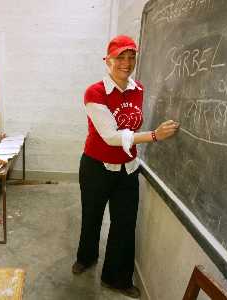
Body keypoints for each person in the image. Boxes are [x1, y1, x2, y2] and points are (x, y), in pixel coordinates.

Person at [73, 35, 179, 298]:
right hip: (96, 167)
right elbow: (110, 136)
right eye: (120, 56)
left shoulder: (138, 89)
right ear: (107, 60)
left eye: (131, 56)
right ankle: (86, 257)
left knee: (124, 224)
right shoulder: (95, 92)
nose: (127, 62)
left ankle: (116, 278)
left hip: (128, 168)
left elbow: (131, 126)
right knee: (92, 216)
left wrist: (143, 137)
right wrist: (154, 136)